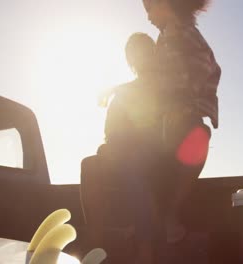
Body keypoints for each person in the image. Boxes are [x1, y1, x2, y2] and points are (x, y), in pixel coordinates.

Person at [142, 0, 222, 244]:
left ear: (165, 4)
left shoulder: (186, 34)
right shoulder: (165, 38)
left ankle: (169, 214)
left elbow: (207, 68)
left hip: (184, 114)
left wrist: (186, 101)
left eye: (150, 9)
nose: (149, 17)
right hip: (163, 119)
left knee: (196, 136)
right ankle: (158, 217)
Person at [93, 32, 160, 264]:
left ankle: (145, 246)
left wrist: (114, 89)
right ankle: (97, 239)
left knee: (134, 165)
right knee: (90, 165)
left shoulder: (162, 83)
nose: (137, 59)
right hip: (124, 146)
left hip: (154, 149)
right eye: (133, 55)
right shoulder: (124, 90)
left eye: (142, 52)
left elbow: (153, 123)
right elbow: (111, 131)